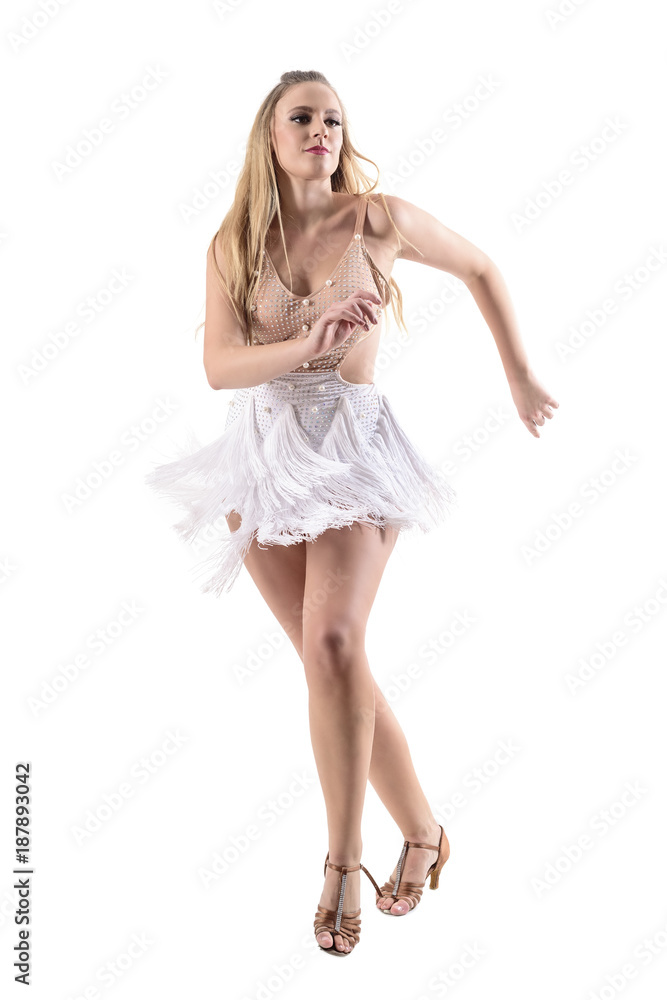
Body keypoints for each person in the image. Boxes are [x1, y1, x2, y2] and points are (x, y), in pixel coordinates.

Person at [145, 69, 559, 957]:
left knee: (333, 645)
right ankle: (425, 833)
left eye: (332, 117)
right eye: (302, 116)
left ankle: (342, 861)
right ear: (270, 134)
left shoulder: (378, 219)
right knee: (330, 666)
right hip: (260, 457)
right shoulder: (234, 241)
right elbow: (220, 367)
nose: (321, 129)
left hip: (352, 450)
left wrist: (518, 373)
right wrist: (312, 338)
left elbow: (480, 265)